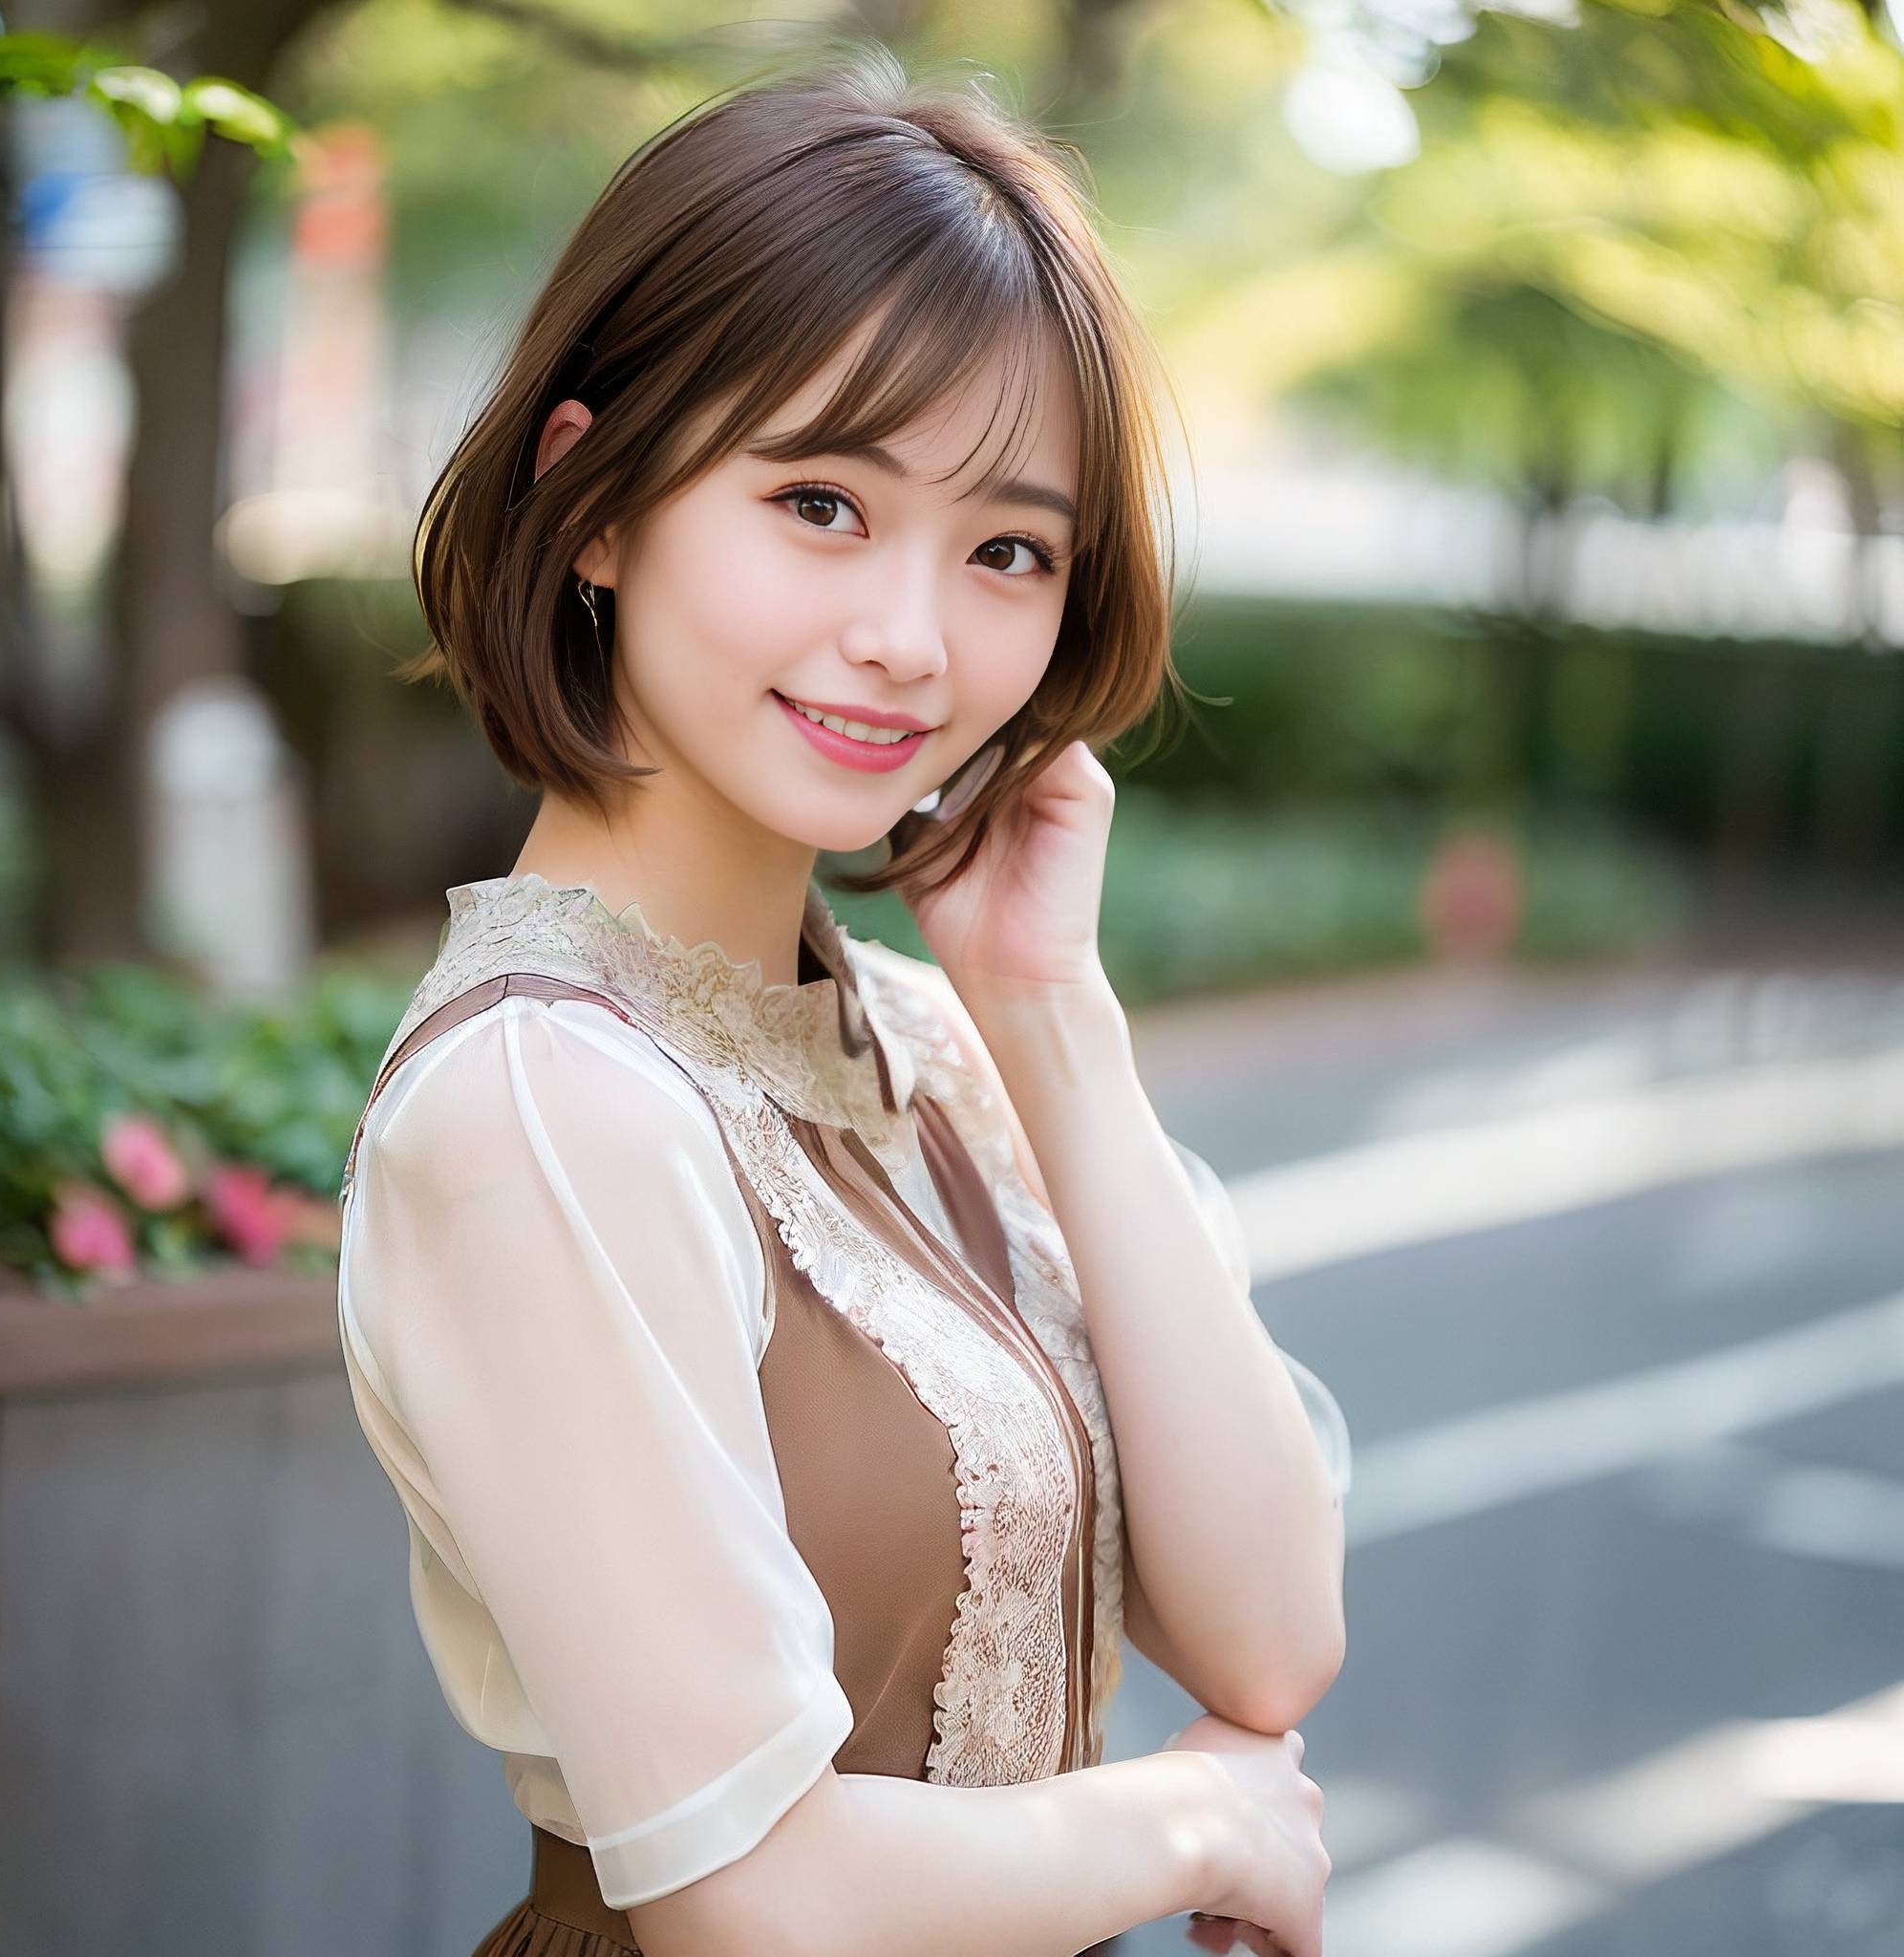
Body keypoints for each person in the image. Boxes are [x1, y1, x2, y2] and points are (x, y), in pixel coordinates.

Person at [335, 43, 1352, 1957]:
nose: (909, 637)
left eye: (1006, 550)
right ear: (596, 497)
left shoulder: (929, 1044)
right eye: (819, 502)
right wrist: (1192, 1824)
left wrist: (1052, 1016)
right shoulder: (545, 1106)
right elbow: (750, 1897)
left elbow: (1270, 1633)